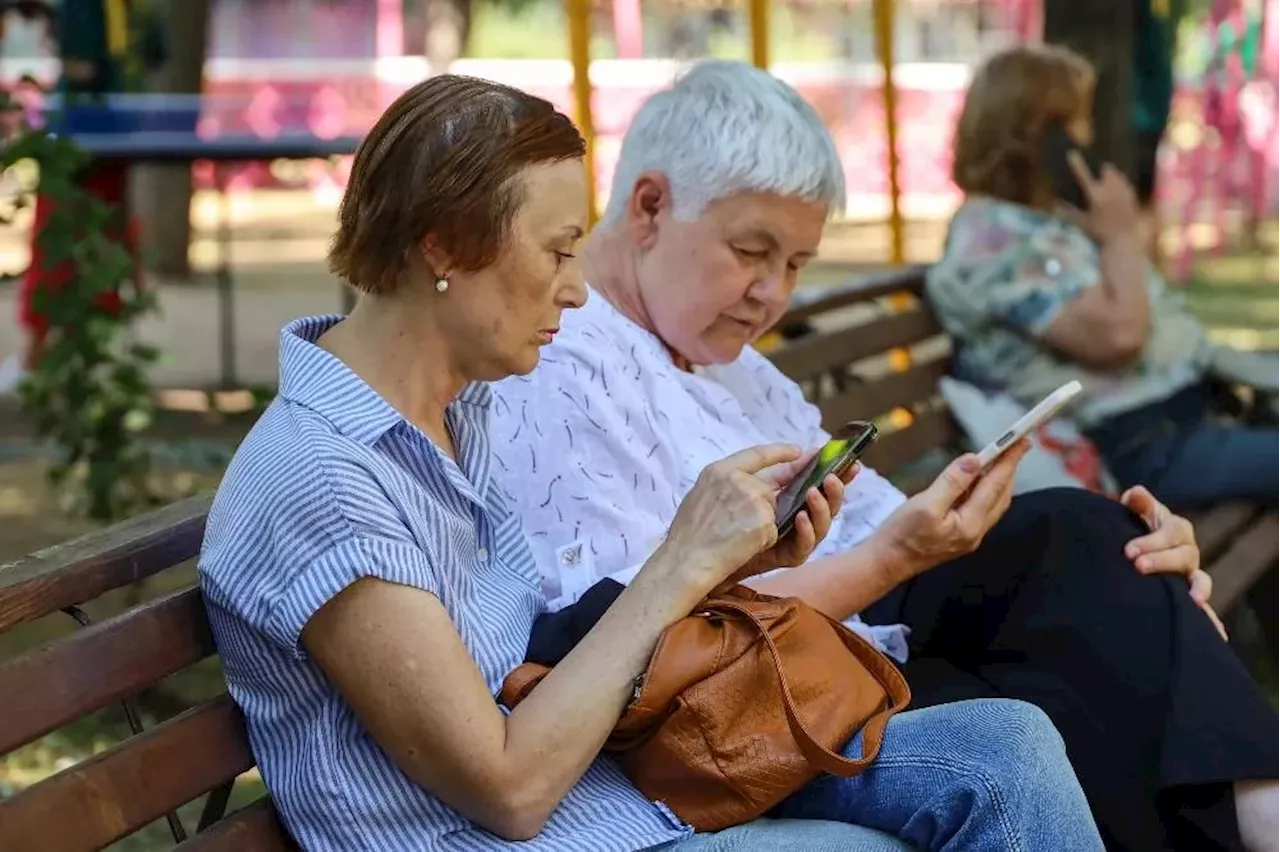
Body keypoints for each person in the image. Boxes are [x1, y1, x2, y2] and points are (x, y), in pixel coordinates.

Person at [198, 75, 1103, 851]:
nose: (577, 285)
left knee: (1009, 751)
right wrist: (679, 563)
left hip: (627, 791)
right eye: (555, 250)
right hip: (546, 827)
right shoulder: (322, 479)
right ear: (442, 244)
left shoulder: (453, 414)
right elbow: (507, 791)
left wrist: (724, 564)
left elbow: (546, 650)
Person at [488, 59, 1280, 851]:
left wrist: (950, 525)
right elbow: (643, 646)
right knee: (1079, 644)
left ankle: (1257, 803)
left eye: (795, 263)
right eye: (752, 250)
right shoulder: (559, 364)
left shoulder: (720, 351)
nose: (772, 293)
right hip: (765, 686)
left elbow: (871, 515)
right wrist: (891, 558)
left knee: (1098, 541)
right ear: (651, 206)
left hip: (852, 630)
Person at [925, 44, 1280, 510]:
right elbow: (1119, 336)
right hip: (1143, 449)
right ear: (1041, 135)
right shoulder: (990, 243)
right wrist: (1120, 237)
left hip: (1185, 419)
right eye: (1077, 121)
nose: (1088, 135)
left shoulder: (1042, 223)